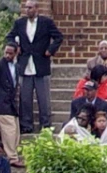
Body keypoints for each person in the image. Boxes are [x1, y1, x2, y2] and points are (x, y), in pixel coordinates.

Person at [6, 0, 64, 134]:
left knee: (43, 98)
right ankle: (26, 125)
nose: (28, 10)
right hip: (25, 64)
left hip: (41, 64)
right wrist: (16, 47)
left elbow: (58, 37)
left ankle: (45, 125)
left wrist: (50, 50)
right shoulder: (19, 23)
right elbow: (10, 36)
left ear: (37, 8)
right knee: (25, 98)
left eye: (30, 8)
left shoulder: (46, 22)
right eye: (26, 8)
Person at [0, 42, 23, 167]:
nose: (7, 55)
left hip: (12, 104)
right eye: (6, 52)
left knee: (16, 131)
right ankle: (12, 157)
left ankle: (14, 155)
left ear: (16, 52)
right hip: (1, 103)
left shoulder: (17, 66)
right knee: (10, 130)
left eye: (10, 53)